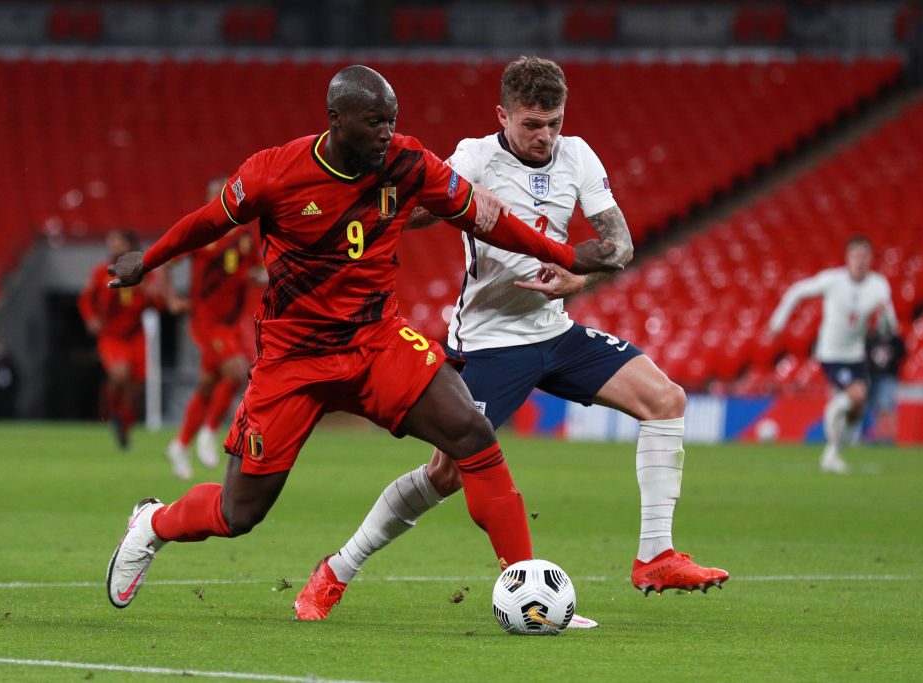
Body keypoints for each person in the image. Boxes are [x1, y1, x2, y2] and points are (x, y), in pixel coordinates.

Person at [104, 64, 621, 614]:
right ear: (336, 120)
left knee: (471, 433)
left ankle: (527, 591)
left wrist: (565, 255)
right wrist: (150, 259)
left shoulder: (406, 162)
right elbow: (209, 222)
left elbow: (483, 219)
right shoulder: (274, 173)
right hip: (293, 360)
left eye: (391, 120)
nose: (385, 132)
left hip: (377, 343)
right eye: (374, 122)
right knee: (239, 514)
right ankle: (153, 523)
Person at [299, 56, 730, 624]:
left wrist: (576, 279)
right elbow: (421, 210)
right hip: (488, 343)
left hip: (554, 332)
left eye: (552, 121)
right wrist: (420, 210)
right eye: (531, 123)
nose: (544, 135)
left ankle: (655, 555)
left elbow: (619, 244)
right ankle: (336, 571)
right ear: (503, 115)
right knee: (445, 475)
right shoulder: (476, 156)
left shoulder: (578, 156)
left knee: (666, 399)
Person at [163, 177, 266, 480]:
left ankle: (180, 444)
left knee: (209, 382)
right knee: (236, 371)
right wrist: (171, 299)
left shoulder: (244, 239)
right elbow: (167, 262)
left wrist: (273, 276)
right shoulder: (200, 232)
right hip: (206, 321)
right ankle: (209, 432)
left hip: (230, 322)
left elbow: (252, 273)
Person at [768, 235, 898, 473]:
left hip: (856, 354)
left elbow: (890, 327)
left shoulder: (879, 285)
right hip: (830, 352)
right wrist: (777, 322)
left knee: (857, 409)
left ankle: (832, 454)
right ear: (847, 258)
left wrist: (886, 318)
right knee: (857, 394)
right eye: (855, 256)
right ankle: (834, 409)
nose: (859, 261)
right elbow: (797, 291)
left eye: (864, 256)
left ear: (871, 260)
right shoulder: (833, 280)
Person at [78, 229, 158, 450]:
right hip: (112, 335)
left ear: (130, 244)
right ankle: (111, 408)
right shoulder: (100, 273)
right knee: (120, 374)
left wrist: (149, 291)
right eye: (110, 241)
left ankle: (124, 425)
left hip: (136, 335)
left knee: (135, 388)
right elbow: (86, 299)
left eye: (117, 241)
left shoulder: (144, 272)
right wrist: (91, 318)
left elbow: (157, 302)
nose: (112, 245)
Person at [865, 328, 905, 443]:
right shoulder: (870, 338)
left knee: (886, 407)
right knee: (872, 408)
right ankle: (874, 436)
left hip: (887, 376)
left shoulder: (894, 339)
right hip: (871, 376)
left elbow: (902, 353)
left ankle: (887, 437)